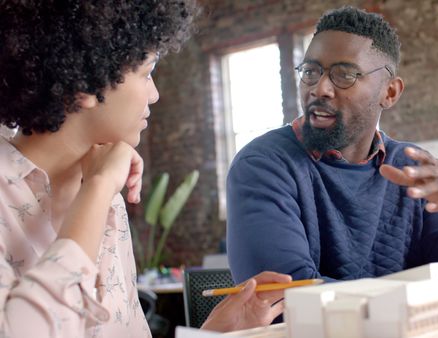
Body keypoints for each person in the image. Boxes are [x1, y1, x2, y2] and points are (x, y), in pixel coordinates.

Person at [0, 1, 289, 337]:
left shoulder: (109, 199)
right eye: (147, 72)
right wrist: (99, 186)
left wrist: (216, 332)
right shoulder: (101, 189)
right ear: (86, 83)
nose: (154, 95)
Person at [227, 6, 438, 284]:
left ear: (389, 93)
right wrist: (415, 294)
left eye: (344, 75)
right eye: (311, 71)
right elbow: (282, 294)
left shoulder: (411, 167)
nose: (319, 88)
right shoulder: (264, 164)